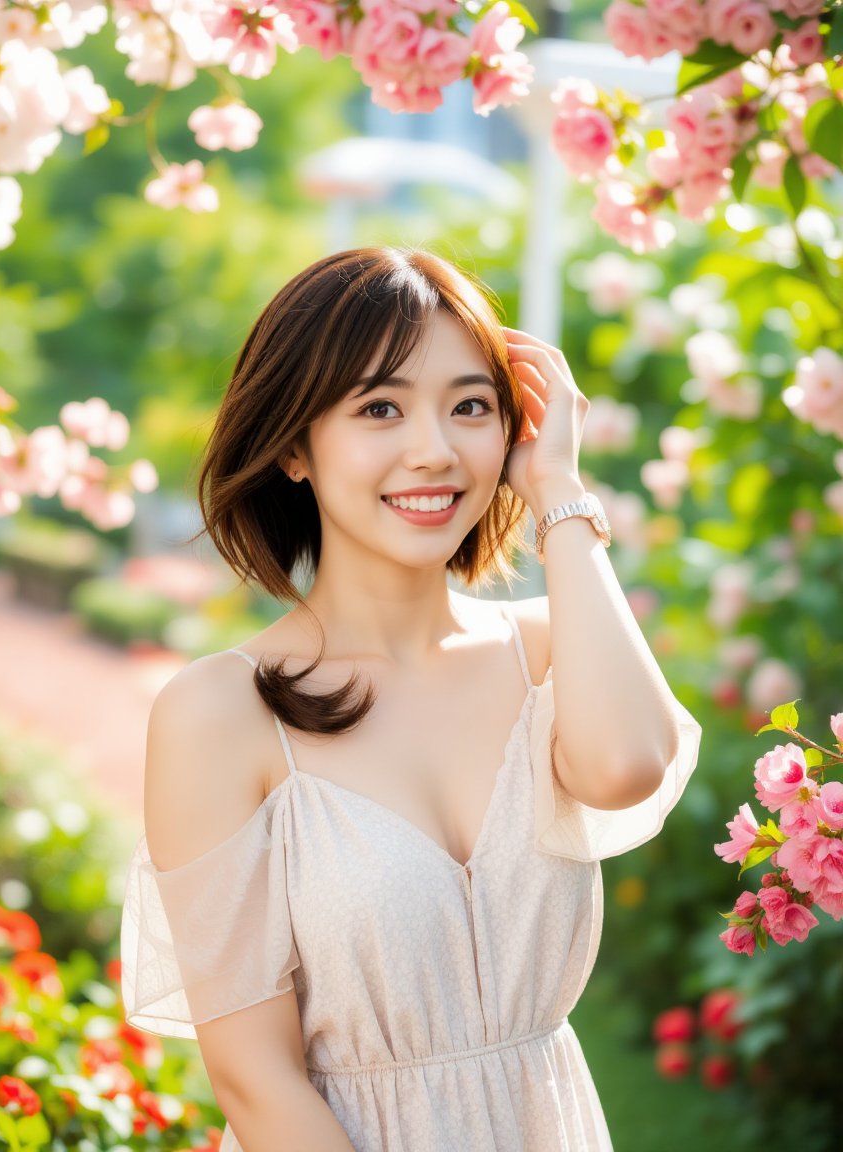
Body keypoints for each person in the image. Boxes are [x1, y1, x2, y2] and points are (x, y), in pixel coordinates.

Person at [120, 246, 702, 1151]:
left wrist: (560, 493)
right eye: (379, 408)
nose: (434, 451)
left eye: (470, 406)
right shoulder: (220, 713)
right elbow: (254, 1077)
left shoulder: (547, 649)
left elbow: (626, 768)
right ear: (291, 448)